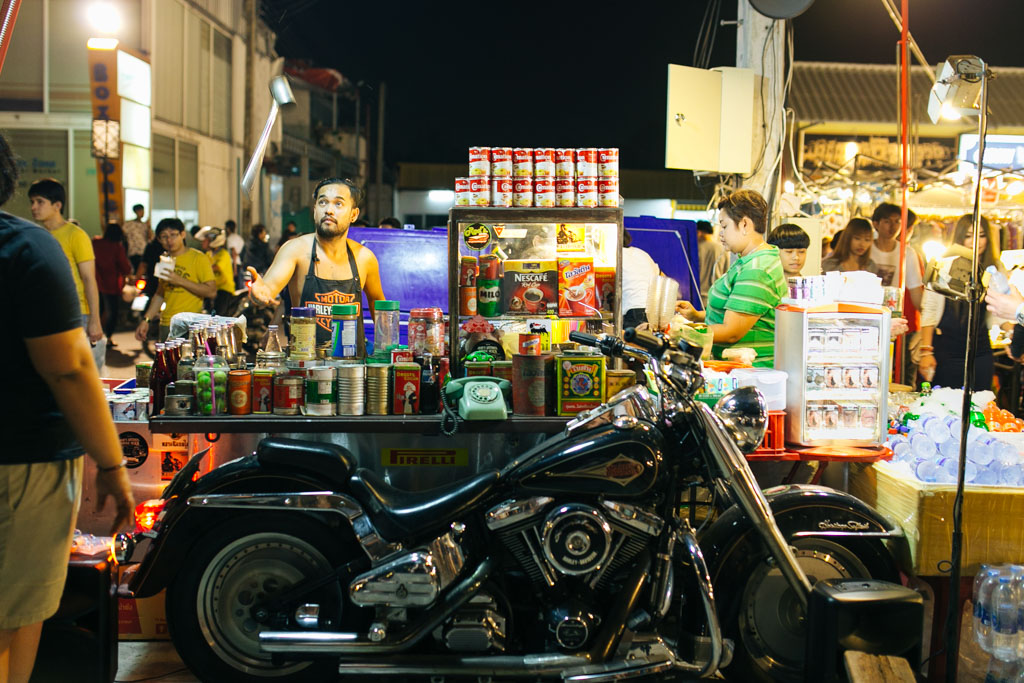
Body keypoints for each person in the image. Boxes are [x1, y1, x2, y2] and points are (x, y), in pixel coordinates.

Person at [0, 132, 134, 683]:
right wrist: (112, 464)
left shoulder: (60, 242)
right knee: (13, 617)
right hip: (22, 462)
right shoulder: (25, 249)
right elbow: (69, 367)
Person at [248, 178, 385, 352]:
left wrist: (385, 350)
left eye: (338, 204)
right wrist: (260, 293)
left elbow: (379, 307)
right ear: (314, 211)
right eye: (322, 202)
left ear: (353, 215)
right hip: (305, 367)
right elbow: (269, 287)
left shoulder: (364, 258)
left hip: (352, 371)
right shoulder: (295, 250)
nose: (328, 210)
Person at [675, 189, 787, 367]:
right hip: (736, 368)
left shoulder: (756, 270)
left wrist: (680, 332)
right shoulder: (747, 261)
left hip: (751, 372)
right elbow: (733, 315)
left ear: (744, 225)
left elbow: (731, 331)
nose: (720, 233)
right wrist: (697, 316)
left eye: (724, 226)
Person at [920, 215, 1007, 390]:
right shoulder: (944, 264)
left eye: (981, 235)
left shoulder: (993, 267)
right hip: (946, 350)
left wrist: (1014, 332)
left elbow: (999, 309)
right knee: (944, 407)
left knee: (980, 406)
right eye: (968, 236)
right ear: (959, 237)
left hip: (981, 351)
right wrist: (926, 351)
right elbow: (929, 310)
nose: (976, 241)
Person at [28, 178, 105, 370]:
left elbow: (89, 279)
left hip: (77, 313)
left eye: (40, 202)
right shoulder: (36, 235)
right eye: (32, 202)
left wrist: (94, 320)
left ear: (57, 205)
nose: (34, 207)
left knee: (83, 372)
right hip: (46, 313)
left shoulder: (75, 235)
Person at [135, 218, 216, 342]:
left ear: (182, 234)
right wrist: (146, 320)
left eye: (173, 235)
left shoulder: (198, 258)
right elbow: (160, 294)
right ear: (158, 239)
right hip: (167, 325)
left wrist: (179, 280)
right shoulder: (164, 260)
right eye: (164, 236)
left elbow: (211, 291)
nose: (169, 240)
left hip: (191, 325)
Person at [92, 221, 132, 346]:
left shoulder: (95, 243)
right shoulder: (117, 247)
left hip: (94, 281)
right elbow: (125, 267)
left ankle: (93, 336)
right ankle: (108, 337)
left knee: (97, 310)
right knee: (112, 311)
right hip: (111, 284)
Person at [621, 229, 661, 329]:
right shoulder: (642, 253)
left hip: (633, 313)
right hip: (655, 312)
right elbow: (662, 277)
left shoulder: (612, 254)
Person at [197, 226, 235, 315]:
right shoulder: (208, 254)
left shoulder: (223, 254)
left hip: (224, 289)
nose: (203, 242)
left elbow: (216, 267)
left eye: (206, 239)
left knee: (219, 315)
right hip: (211, 288)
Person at [696, 219, 727, 301]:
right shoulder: (723, 249)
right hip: (716, 296)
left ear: (699, 233)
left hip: (698, 296)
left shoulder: (696, 248)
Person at [122, 203, 151, 270]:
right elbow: (123, 235)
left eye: (143, 211)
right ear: (135, 212)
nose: (142, 213)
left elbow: (150, 238)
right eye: (140, 211)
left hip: (144, 252)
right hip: (133, 252)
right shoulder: (128, 224)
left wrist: (148, 227)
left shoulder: (145, 225)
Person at [224, 219, 245, 287]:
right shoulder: (239, 238)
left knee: (234, 285)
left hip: (233, 264)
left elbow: (233, 253)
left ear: (228, 229)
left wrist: (235, 269)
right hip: (239, 263)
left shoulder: (230, 238)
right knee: (239, 285)